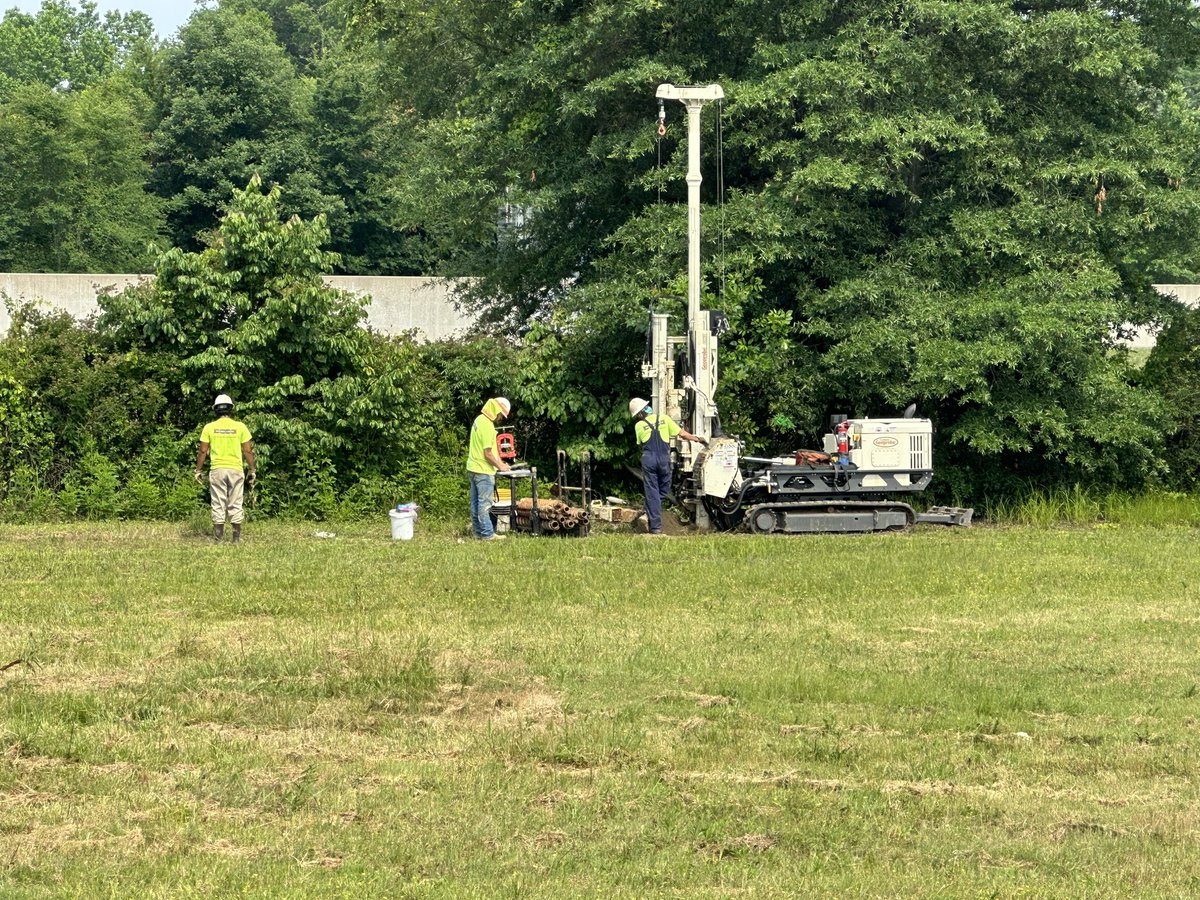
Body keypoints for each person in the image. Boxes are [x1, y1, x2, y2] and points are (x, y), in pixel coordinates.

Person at [628, 397, 706, 535]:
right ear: (647, 408)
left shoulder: (638, 426)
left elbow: (641, 443)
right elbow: (682, 434)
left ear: (639, 415)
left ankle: (651, 515)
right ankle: (655, 526)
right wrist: (697, 439)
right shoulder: (665, 419)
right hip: (664, 459)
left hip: (649, 459)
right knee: (664, 489)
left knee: (653, 493)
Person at [194, 394, 256, 543]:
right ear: (231, 409)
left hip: (217, 470)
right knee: (235, 502)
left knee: (218, 502)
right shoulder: (240, 427)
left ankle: (218, 539)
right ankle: (235, 539)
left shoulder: (209, 427)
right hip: (236, 469)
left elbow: (203, 451)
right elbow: (247, 450)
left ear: (216, 410)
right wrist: (251, 469)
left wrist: (198, 470)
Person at [466, 396, 512, 540]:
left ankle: (477, 533)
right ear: (497, 410)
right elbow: (487, 453)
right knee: (485, 505)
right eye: (501, 415)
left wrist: (500, 463)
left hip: (473, 468)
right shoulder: (487, 425)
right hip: (483, 470)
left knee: (475, 504)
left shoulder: (478, 420)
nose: (500, 419)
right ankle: (487, 534)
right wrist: (501, 466)